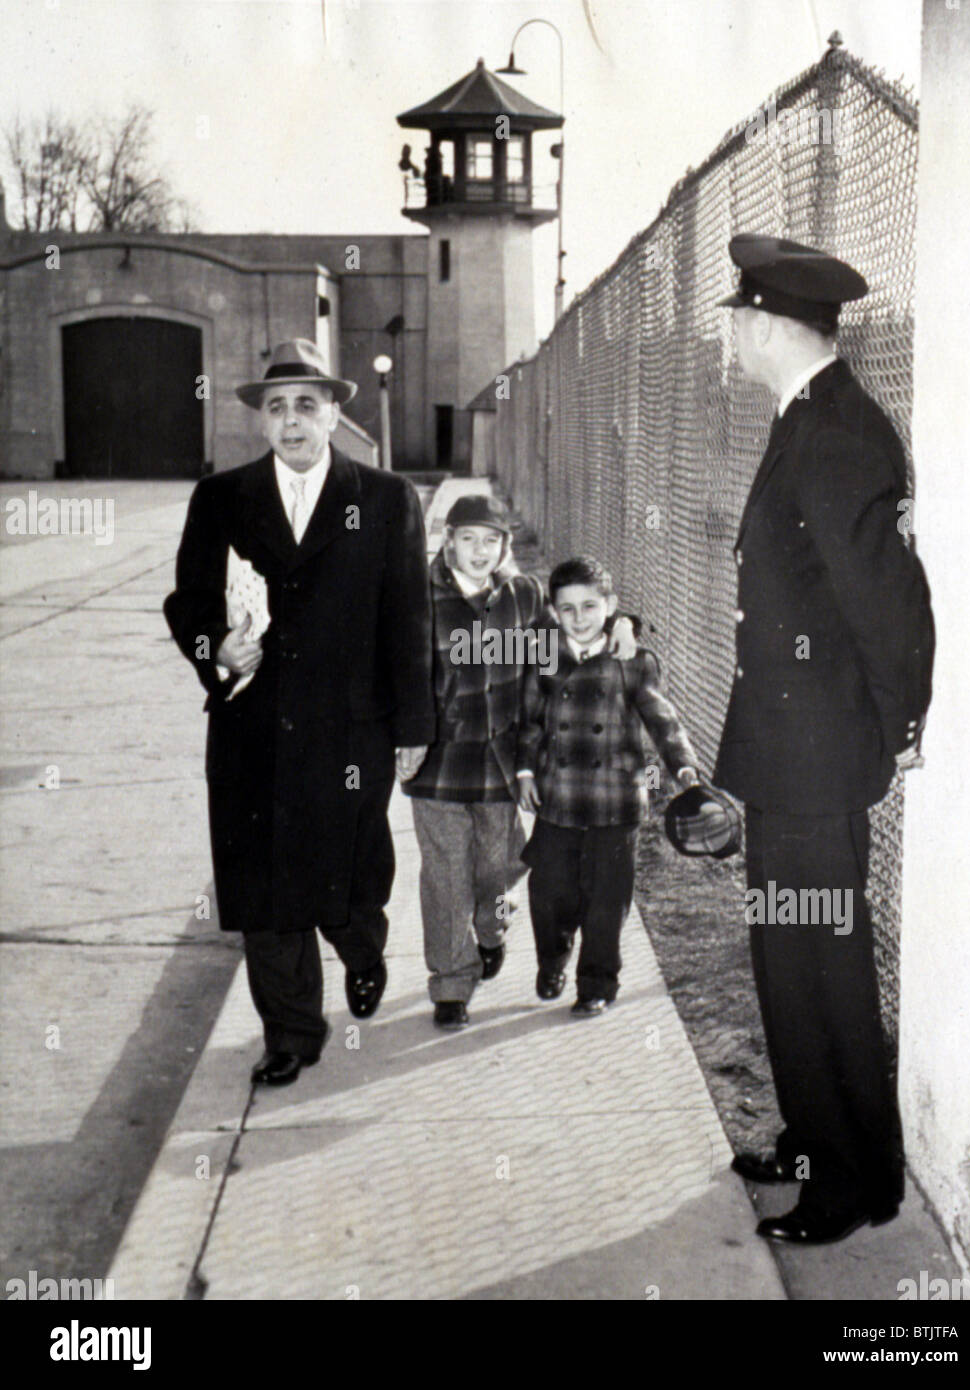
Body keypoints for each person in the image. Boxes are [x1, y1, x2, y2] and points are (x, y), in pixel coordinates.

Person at [713, 234, 935, 1244]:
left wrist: (900, 726)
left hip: (819, 751)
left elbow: (887, 598)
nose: (729, 332)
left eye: (736, 317)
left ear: (765, 323)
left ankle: (852, 1180)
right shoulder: (804, 416)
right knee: (787, 955)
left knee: (822, 964)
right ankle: (815, 1141)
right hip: (785, 745)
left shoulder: (837, 429)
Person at [164, 339, 434, 1087]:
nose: (291, 422)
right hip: (252, 724)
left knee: (348, 867)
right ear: (260, 419)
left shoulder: (383, 499)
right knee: (263, 881)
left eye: (306, 406)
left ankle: (363, 948)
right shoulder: (220, 499)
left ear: (334, 413)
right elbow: (185, 601)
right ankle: (291, 1030)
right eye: (276, 408)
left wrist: (414, 726)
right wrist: (214, 647)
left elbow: (409, 620)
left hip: (352, 728)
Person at [405, 495, 637, 1029]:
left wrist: (624, 623)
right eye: (468, 539)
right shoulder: (418, 595)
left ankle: (491, 925)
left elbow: (580, 616)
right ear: (449, 540)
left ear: (504, 545)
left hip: (502, 762)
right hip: (439, 761)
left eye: (491, 540)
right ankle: (450, 985)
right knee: (445, 877)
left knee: (499, 865)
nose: (479, 551)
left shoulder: (523, 595)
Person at [517, 556, 701, 1015]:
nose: (580, 619)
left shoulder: (632, 661)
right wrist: (524, 772)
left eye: (590, 607)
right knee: (549, 893)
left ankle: (597, 983)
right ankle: (553, 957)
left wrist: (683, 768)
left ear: (610, 607)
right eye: (568, 609)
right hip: (558, 799)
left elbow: (664, 722)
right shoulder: (543, 653)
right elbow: (529, 722)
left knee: (607, 900)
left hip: (615, 802)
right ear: (554, 613)